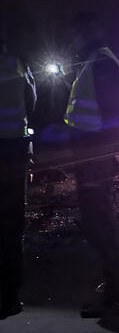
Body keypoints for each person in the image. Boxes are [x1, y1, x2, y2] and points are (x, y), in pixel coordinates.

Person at [63, 11, 119, 318]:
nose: (72, 39)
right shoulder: (94, 62)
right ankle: (114, 292)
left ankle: (117, 296)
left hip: (93, 157)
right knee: (98, 224)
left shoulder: (101, 62)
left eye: (75, 33)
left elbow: (110, 114)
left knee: (100, 225)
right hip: (90, 155)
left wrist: (99, 156)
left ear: (87, 32)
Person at [0, 29, 36, 319]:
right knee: (11, 226)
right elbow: (32, 100)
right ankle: (9, 297)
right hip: (13, 149)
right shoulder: (18, 65)